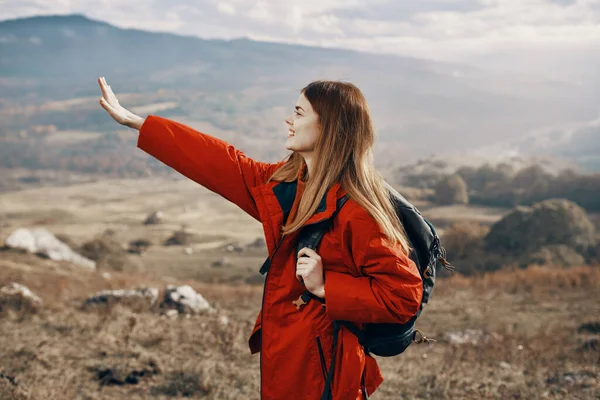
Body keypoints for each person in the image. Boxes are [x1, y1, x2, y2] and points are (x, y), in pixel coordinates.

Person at [97, 77, 423, 400]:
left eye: (299, 113)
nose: (288, 120)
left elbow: (404, 295)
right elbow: (219, 161)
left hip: (325, 370)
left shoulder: (357, 211)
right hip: (289, 354)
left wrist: (326, 287)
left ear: (328, 128)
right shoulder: (288, 186)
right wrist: (138, 124)